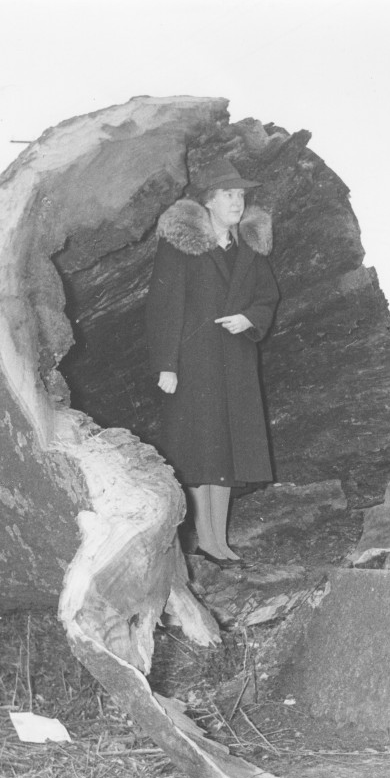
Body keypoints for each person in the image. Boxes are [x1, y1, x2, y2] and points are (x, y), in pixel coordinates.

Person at [145, 158, 279, 568]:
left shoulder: (250, 251)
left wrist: (249, 319)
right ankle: (205, 541)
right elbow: (163, 307)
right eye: (228, 194)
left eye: (241, 195)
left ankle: (218, 543)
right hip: (194, 364)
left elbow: (267, 297)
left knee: (226, 455)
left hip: (236, 362)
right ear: (208, 202)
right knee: (199, 453)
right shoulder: (181, 246)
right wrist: (166, 365)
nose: (237, 202)